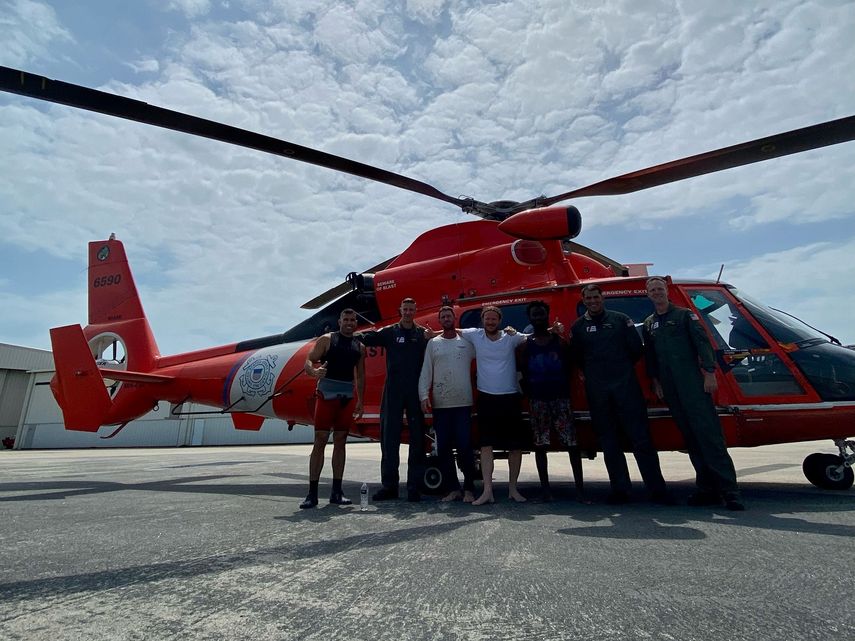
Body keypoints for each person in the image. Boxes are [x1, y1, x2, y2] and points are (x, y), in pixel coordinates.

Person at [643, 276, 745, 511]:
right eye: (652, 290)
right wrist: (656, 381)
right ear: (648, 294)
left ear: (666, 291)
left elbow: (703, 343)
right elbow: (651, 356)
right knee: (691, 438)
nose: (657, 293)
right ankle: (707, 489)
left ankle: (730, 491)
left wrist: (709, 373)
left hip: (692, 384)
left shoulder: (684, 315)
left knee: (709, 437)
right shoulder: (649, 323)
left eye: (659, 289)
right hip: (670, 388)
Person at [571, 284, 671, 505]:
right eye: (588, 298)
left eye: (596, 297)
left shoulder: (620, 320)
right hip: (598, 392)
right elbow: (576, 357)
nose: (593, 301)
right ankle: (620, 489)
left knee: (641, 439)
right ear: (583, 300)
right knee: (609, 442)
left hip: (625, 387)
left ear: (602, 297)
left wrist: (619, 370)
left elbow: (636, 349)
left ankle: (657, 489)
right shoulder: (578, 327)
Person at [358, 297, 430, 502]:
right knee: (389, 438)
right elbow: (368, 337)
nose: (407, 312)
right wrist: (348, 335)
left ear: (415, 310)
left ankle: (414, 487)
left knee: (417, 439)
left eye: (411, 309)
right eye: (405, 309)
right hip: (393, 390)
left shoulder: (422, 334)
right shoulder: (390, 332)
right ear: (400, 310)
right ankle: (389, 486)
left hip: (415, 391)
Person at [516, 300, 587, 503]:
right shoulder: (524, 346)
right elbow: (521, 373)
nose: (538, 317)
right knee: (540, 445)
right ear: (529, 318)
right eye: (534, 315)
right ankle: (545, 490)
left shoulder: (561, 342)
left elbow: (571, 367)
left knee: (572, 444)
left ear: (547, 315)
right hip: (538, 400)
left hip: (560, 399)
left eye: (541, 314)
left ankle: (580, 490)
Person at [460, 306, 528, 505]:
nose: (490, 322)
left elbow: (531, 337)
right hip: (486, 398)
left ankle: (513, 489)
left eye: (494, 319)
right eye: (487, 319)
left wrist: (555, 330)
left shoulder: (510, 336)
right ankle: (487, 491)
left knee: (515, 447)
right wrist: (429, 334)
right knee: (486, 446)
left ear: (499, 320)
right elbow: (451, 331)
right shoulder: (475, 335)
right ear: (482, 320)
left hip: (510, 397)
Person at [301, 308, 366, 509]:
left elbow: (361, 375)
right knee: (320, 440)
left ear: (356, 322)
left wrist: (360, 401)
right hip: (326, 394)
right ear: (339, 321)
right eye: (345, 319)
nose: (349, 323)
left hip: (347, 396)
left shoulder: (360, 346)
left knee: (341, 441)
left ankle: (336, 492)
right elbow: (308, 361)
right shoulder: (327, 340)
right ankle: (312, 494)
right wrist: (314, 371)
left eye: (352, 320)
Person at [418, 306, 477, 503]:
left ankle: (469, 488)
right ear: (439, 321)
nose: (446, 319)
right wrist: (423, 395)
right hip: (441, 404)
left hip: (463, 403)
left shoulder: (467, 343)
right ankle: (453, 488)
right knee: (443, 448)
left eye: (449, 316)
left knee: (464, 447)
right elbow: (426, 370)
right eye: (442, 316)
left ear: (454, 318)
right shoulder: (433, 343)